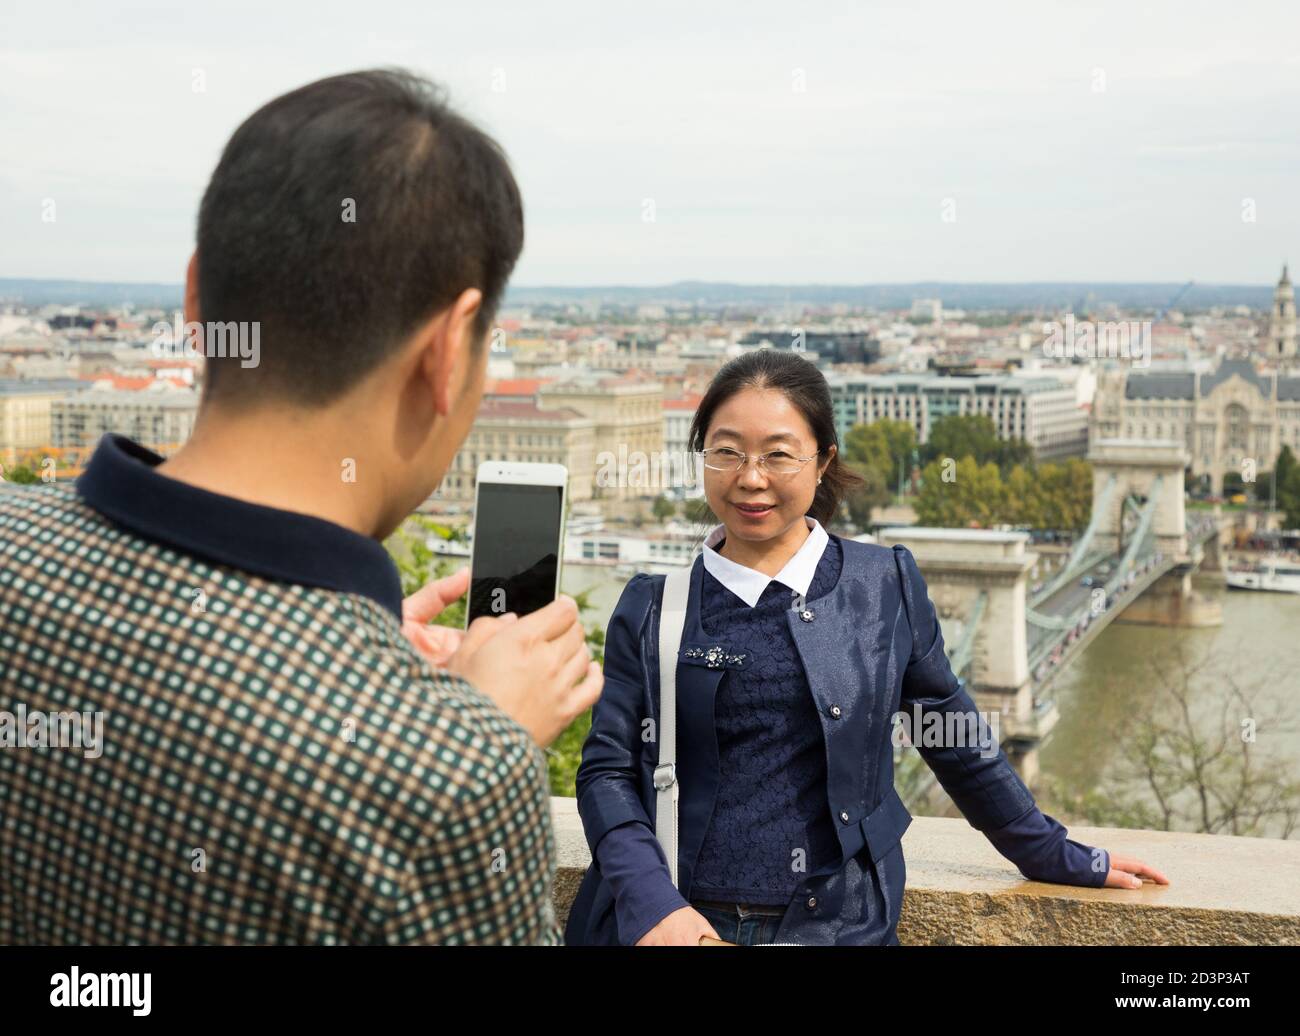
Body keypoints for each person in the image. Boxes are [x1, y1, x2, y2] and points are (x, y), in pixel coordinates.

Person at [0, 69, 601, 944]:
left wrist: (361, 680)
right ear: (445, 351)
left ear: (197, 299)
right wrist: (471, 742)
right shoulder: (448, 779)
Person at [565, 349, 1168, 946]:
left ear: (823, 460)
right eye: (726, 452)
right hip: (684, 923)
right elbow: (608, 770)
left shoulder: (884, 586)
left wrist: (1055, 853)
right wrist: (653, 907)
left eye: (778, 454)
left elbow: (949, 736)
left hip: (839, 924)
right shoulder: (652, 607)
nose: (750, 477)